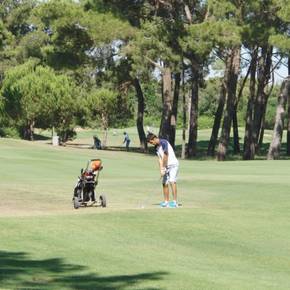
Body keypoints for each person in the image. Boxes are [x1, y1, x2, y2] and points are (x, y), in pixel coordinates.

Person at [146, 133, 179, 208]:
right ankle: (166, 202)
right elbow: (160, 158)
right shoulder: (156, 147)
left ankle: (174, 202)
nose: (151, 144)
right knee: (164, 183)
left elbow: (165, 155)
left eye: (151, 142)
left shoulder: (164, 142)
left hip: (173, 164)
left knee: (172, 181)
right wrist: (161, 169)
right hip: (166, 166)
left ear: (154, 138)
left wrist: (164, 167)